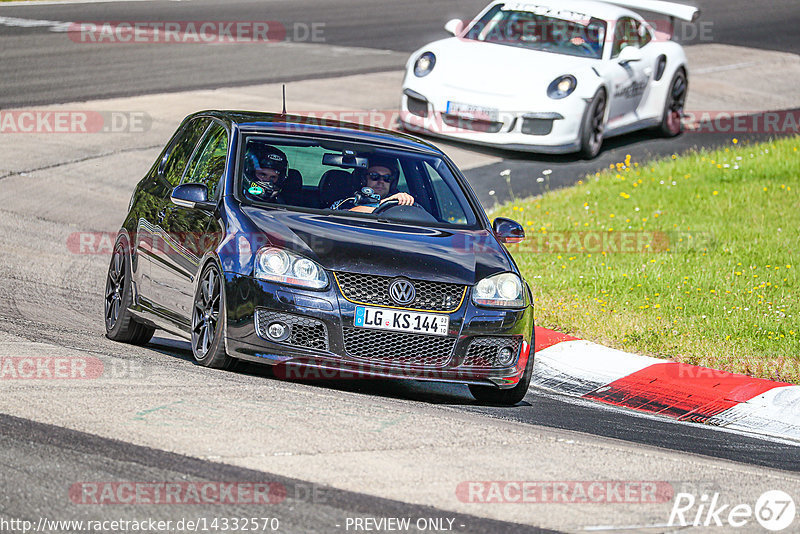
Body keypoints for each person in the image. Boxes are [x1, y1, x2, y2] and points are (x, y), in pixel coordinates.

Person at [348, 156, 414, 213]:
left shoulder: (398, 200)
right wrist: (385, 203)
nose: (381, 181)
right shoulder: (351, 199)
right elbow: (348, 214)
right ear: (363, 179)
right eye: (374, 176)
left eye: (387, 178)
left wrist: (406, 200)